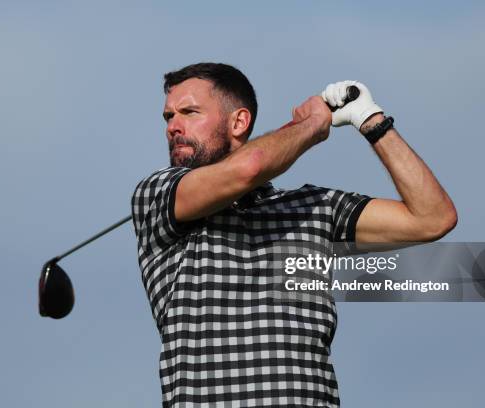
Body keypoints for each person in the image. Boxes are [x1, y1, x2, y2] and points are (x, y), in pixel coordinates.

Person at [131, 62, 457, 407]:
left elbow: (432, 218)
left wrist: (371, 121)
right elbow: (249, 167)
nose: (173, 127)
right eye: (168, 116)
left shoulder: (312, 208)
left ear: (238, 122)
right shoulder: (158, 194)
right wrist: (314, 125)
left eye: (189, 112)